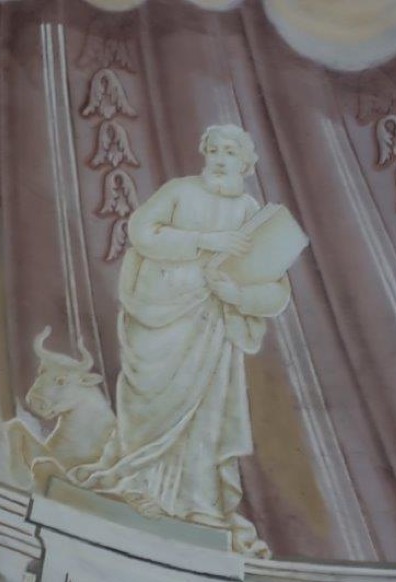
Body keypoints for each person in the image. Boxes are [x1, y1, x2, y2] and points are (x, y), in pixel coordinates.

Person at [71, 124, 295, 557]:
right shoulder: (180, 191)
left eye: (230, 152)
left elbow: (274, 286)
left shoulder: (251, 211)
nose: (220, 159)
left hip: (213, 326)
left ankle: (196, 502)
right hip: (161, 317)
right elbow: (142, 231)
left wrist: (239, 295)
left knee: (206, 413)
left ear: (246, 163)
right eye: (214, 150)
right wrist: (204, 241)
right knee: (150, 402)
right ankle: (136, 481)